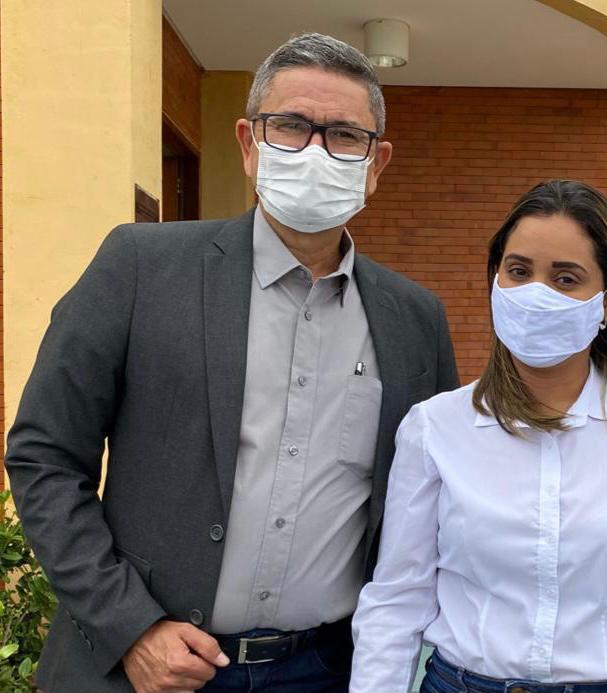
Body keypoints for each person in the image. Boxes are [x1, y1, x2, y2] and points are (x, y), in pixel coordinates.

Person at [5, 33, 459, 693]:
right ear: (249, 144)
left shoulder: (414, 320)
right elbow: (44, 455)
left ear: (376, 162)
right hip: (146, 668)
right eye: (291, 126)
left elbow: (427, 500)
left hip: (329, 670)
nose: (315, 151)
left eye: (344, 135)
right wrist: (130, 626)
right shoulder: (140, 269)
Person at [349, 179, 607, 693]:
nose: (536, 294)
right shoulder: (435, 428)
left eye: (565, 278)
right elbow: (397, 600)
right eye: (518, 271)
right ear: (495, 281)